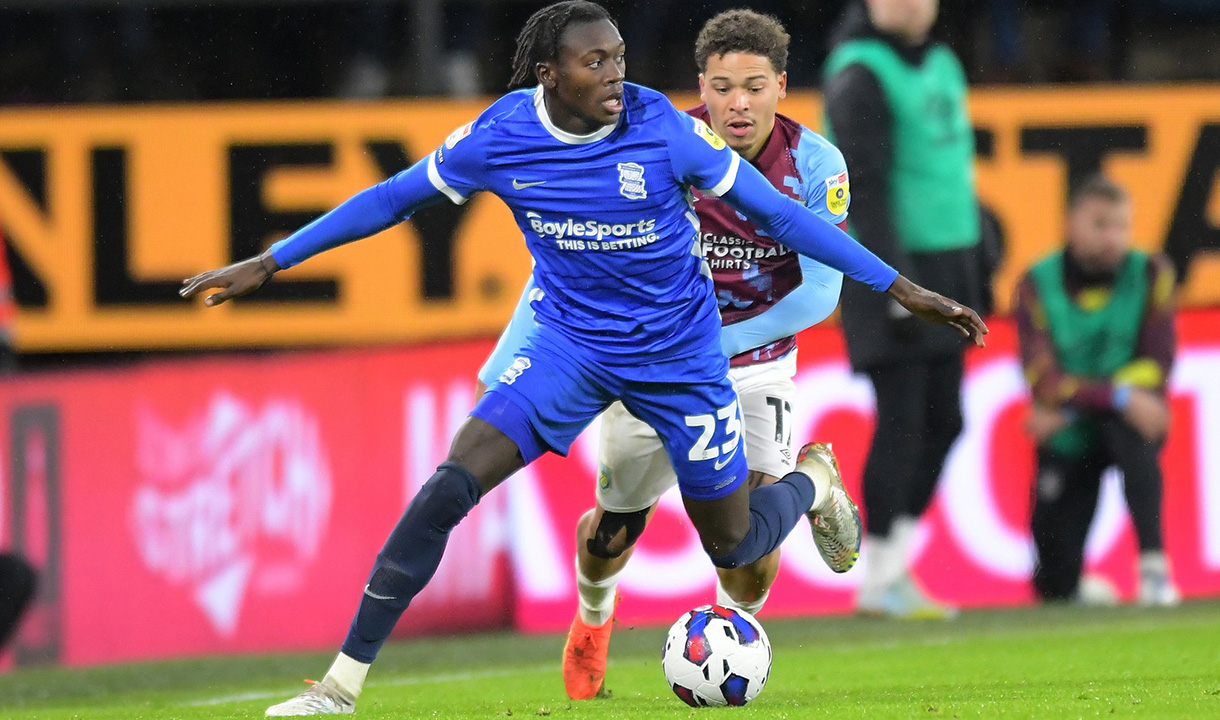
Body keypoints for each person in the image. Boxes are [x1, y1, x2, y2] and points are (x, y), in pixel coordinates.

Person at [179, 2, 986, 715]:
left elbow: (777, 212)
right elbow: (392, 197)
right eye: (594, 62)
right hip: (573, 350)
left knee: (737, 552)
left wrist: (897, 283)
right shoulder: (501, 135)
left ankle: (810, 478)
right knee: (447, 488)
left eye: (621, 59)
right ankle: (338, 688)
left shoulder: (663, 129)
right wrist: (273, 260)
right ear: (548, 73)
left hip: (681, 359)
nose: (616, 76)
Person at [478, 8, 858, 700]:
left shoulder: (816, 165)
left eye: (752, 86)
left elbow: (819, 295)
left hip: (752, 363)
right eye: (720, 87)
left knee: (747, 560)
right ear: (701, 87)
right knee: (615, 528)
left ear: (780, 86)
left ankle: (729, 640)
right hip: (650, 362)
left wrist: (709, 347)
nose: (736, 104)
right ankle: (594, 620)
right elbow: (570, 257)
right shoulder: (654, 144)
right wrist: (510, 353)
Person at [821, 0, 991, 619]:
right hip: (894, 274)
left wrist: (980, 265)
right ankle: (877, 579)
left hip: (950, 267)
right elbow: (862, 188)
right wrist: (897, 289)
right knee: (904, 420)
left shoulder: (943, 62)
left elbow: (953, 175)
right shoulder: (858, 72)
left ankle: (893, 568)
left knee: (944, 420)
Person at [1016, 175, 1179, 607]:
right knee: (1053, 585)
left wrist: (1085, 404)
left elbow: (1158, 367)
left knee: (1130, 430)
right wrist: (1119, 394)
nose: (1114, 238)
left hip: (1101, 422)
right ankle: (1071, 584)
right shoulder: (1036, 282)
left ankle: (1154, 571)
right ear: (1071, 224)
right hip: (1068, 437)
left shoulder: (1151, 272)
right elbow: (1043, 381)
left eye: (1122, 226)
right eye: (1101, 225)